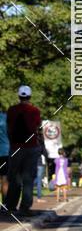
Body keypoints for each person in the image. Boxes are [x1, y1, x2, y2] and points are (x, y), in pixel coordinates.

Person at [5, 86, 42, 217]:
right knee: (28, 179)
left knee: (14, 178)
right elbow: (38, 128)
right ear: (30, 96)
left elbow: (9, 129)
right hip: (31, 148)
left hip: (15, 147)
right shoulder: (34, 110)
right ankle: (25, 208)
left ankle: (10, 206)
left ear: (19, 96)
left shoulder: (11, 110)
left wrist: (12, 144)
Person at [0, 112, 10, 203]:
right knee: (5, 179)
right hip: (4, 152)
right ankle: (5, 204)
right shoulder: (5, 117)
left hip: (4, 151)